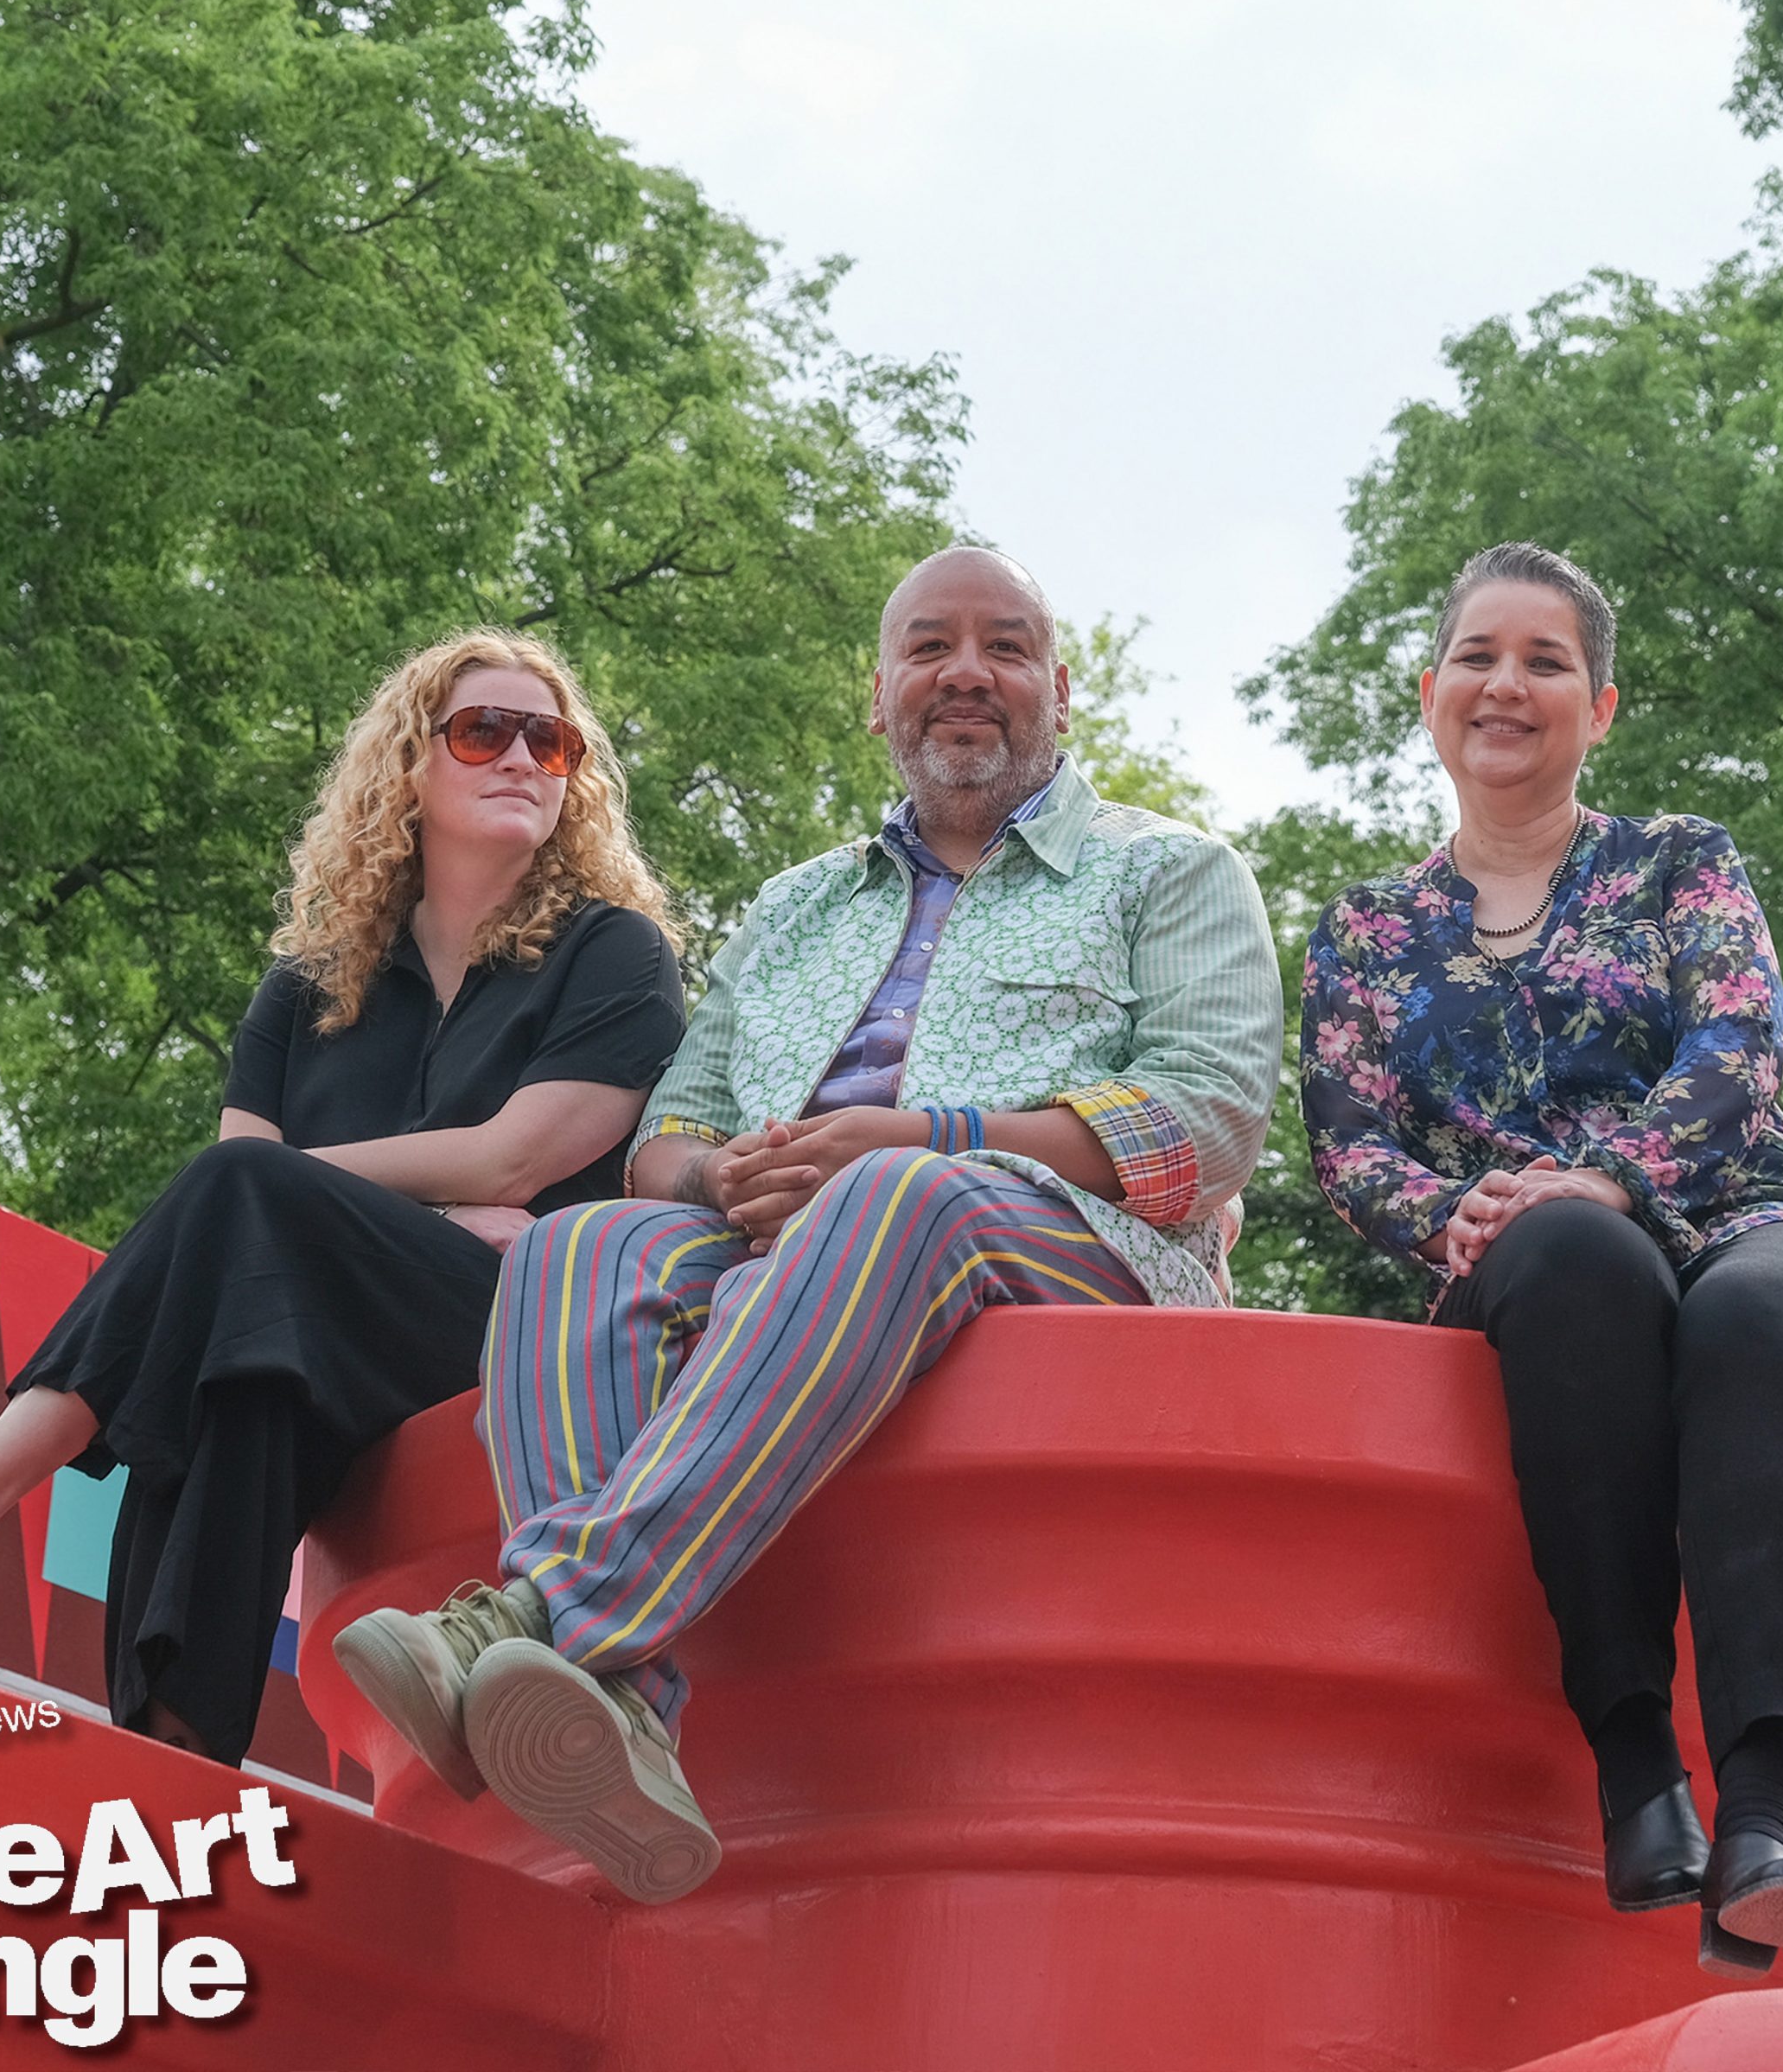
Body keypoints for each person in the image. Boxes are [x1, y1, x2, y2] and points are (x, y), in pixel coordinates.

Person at [330, 544, 1283, 1903]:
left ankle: (538, 1614)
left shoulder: (1170, 872)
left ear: (1060, 694)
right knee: (574, 1244)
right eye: (930, 647)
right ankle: (626, 1714)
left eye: (1006, 647)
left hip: (1072, 1243)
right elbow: (671, 1126)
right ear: (881, 693)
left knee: (901, 1195)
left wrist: (924, 1136)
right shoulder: (795, 907)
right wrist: (721, 1181)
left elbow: (1206, 1124)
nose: (967, 672)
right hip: (787, 1243)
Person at [0, 629, 685, 1768]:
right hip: (324, 1342)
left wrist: (320, 1193)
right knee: (238, 1366)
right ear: (410, 767)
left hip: (519, 1328)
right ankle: (171, 1763)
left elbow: (511, 1165)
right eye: (486, 731)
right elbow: (233, 1230)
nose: (523, 759)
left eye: (554, 742)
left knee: (246, 1220)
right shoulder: (305, 987)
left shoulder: (615, 955)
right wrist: (352, 1202)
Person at [1300, 541, 1783, 1976]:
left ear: (1603, 706)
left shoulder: (1680, 862)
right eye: (1479, 657)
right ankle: (1638, 1771)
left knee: (1746, 1313)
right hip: (1534, 1263)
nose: (1507, 685)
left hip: (1760, 1226)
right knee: (1574, 1254)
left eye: (1547, 662)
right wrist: (1453, 1214)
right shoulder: (1368, 930)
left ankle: (1764, 1813)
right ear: (1431, 689)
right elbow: (1346, 1139)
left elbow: (1737, 1049)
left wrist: (1615, 1170)